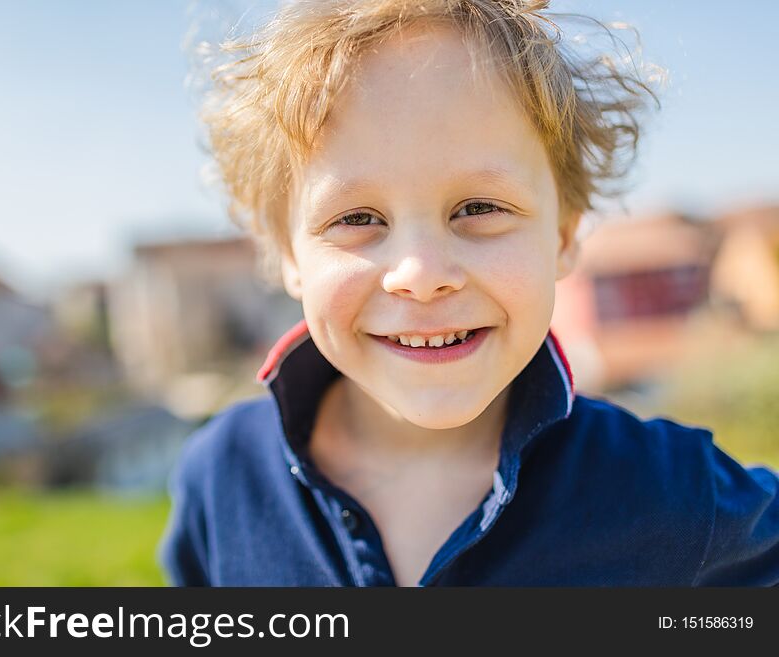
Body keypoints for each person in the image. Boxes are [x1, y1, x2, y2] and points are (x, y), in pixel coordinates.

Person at [159, 0, 779, 586]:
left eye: (479, 207)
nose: (423, 273)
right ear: (290, 253)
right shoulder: (220, 476)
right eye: (356, 218)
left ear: (563, 235)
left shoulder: (678, 497)